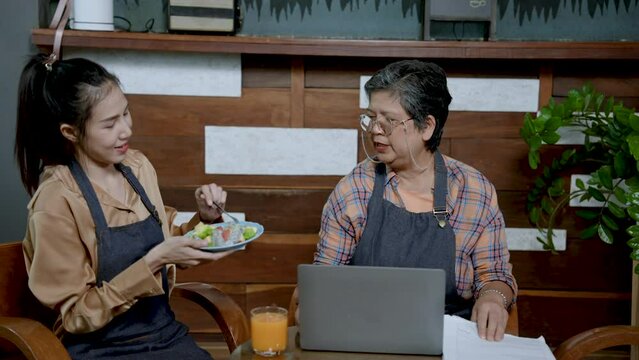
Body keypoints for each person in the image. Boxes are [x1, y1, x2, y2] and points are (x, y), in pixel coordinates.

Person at [15, 53, 234, 359]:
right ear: (71, 132)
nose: (126, 130)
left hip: (164, 337)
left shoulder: (137, 168)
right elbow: (77, 315)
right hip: (100, 349)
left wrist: (205, 220)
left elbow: (169, 242)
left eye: (125, 113)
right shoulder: (57, 200)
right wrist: (152, 263)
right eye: (109, 124)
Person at [314, 60, 517, 341]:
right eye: (372, 117)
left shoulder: (474, 191)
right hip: (366, 337)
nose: (375, 129)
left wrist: (493, 298)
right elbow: (323, 279)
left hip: (450, 339)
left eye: (389, 120)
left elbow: (494, 273)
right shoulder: (354, 190)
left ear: (427, 127)